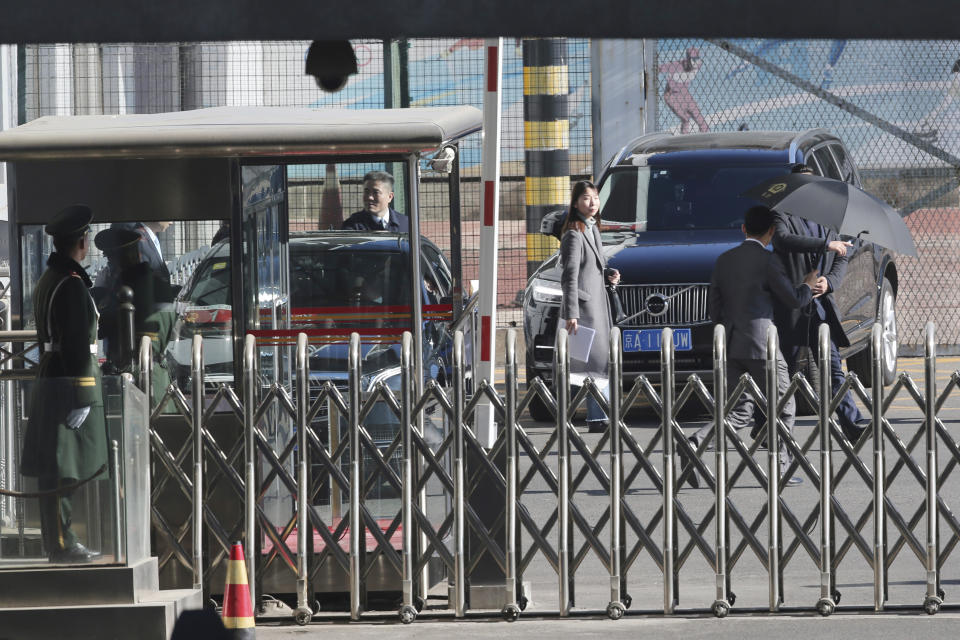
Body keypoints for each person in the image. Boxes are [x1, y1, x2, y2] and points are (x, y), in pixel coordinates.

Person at [684, 205, 820, 488]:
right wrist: (808, 285)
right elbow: (793, 299)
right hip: (763, 346)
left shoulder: (724, 260)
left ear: (743, 229)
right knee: (784, 405)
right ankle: (780, 468)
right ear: (771, 232)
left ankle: (696, 443)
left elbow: (715, 309)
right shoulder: (768, 262)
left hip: (732, 345)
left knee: (738, 411)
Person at [20, 204, 108, 563]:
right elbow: (77, 343)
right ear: (82, 243)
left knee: (58, 469)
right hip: (67, 383)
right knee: (62, 470)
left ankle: (59, 540)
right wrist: (85, 393)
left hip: (52, 376)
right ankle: (62, 543)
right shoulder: (70, 286)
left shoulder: (51, 280)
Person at [772, 163, 869, 443]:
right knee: (785, 371)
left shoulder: (827, 218)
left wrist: (829, 282)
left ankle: (852, 424)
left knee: (833, 367)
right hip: (791, 304)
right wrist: (824, 246)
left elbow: (842, 256)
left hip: (820, 306)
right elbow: (783, 240)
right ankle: (768, 425)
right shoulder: (780, 214)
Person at [559, 180, 620, 433]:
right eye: (586, 198)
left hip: (595, 306)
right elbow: (569, 274)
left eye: (595, 197)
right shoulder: (575, 233)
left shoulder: (592, 228)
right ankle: (595, 417)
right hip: (583, 310)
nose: (592, 202)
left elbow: (591, 265)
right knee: (588, 364)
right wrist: (571, 312)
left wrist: (608, 273)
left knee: (590, 364)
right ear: (575, 203)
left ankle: (595, 416)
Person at [94, 228, 176, 402]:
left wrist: (99, 297)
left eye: (110, 257)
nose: (109, 263)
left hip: (133, 377)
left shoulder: (127, 286)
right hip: (156, 375)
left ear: (121, 257)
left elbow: (103, 327)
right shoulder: (157, 282)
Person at [341, 171, 409, 232]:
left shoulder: (406, 224)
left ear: (390, 197)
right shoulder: (352, 226)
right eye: (366, 192)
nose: (370, 197)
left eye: (376, 192)